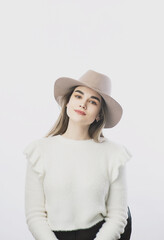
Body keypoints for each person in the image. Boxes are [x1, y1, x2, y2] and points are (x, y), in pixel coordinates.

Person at [23, 69, 132, 240]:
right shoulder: (39, 151)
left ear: (99, 115)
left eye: (93, 102)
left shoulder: (114, 154)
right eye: (78, 96)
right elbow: (35, 215)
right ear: (67, 102)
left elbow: (118, 216)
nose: (83, 104)